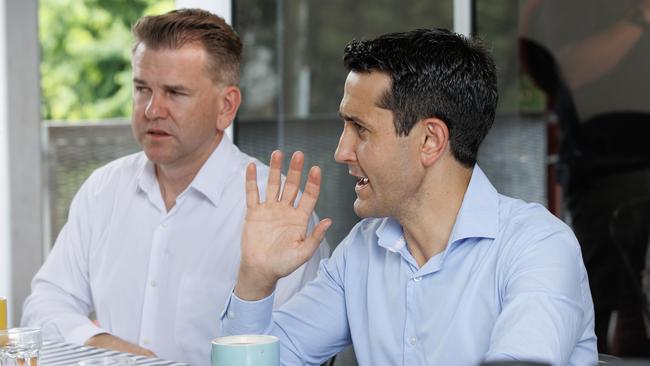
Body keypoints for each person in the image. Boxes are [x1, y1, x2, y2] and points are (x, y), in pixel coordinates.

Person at [220, 28, 597, 366]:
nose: (341, 151)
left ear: (430, 141)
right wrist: (256, 278)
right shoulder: (360, 252)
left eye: (360, 129)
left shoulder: (538, 245)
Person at [21, 9, 329, 366]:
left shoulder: (276, 211)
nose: (152, 109)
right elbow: (44, 306)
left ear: (226, 107)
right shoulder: (102, 189)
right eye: (142, 89)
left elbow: (294, 352)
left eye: (175, 92)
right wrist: (109, 346)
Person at [521, 0, 650, 355]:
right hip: (606, 172)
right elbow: (573, 68)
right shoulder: (570, 7)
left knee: (633, 309)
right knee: (601, 307)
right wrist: (640, 18)